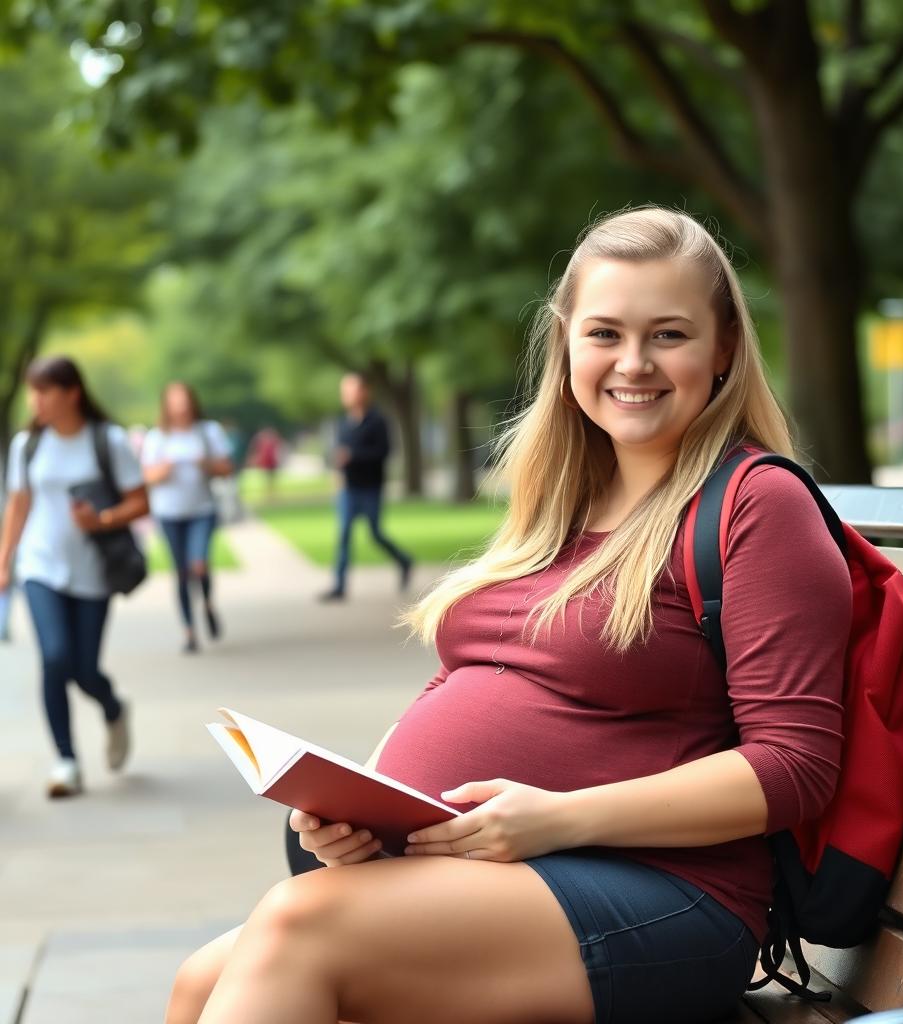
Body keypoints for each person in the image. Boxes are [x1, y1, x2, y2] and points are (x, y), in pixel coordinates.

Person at [166, 208, 851, 1024]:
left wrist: (556, 819)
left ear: (726, 347)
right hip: (498, 873)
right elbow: (472, 677)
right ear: (566, 344)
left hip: (665, 892)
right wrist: (362, 804)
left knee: (295, 928)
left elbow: (794, 766)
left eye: (668, 334)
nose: (633, 363)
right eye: (604, 333)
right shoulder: (557, 499)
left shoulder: (753, 504)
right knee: (201, 979)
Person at [0, 356, 148, 799]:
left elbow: (140, 502)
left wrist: (101, 519)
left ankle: (113, 707)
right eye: (33, 391)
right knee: (55, 657)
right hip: (40, 567)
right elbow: (19, 505)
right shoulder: (28, 444)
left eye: (44, 390)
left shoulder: (107, 440)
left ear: (72, 393)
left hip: (93, 574)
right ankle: (66, 761)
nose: (36, 400)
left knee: (85, 671)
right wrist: (5, 560)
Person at [142, 383, 234, 654]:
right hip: (169, 513)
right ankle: (189, 631)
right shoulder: (157, 437)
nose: (180, 405)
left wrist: (203, 463)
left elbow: (227, 468)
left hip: (201, 510)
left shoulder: (208, 432)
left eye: (184, 399)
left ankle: (207, 603)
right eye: (174, 400)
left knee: (199, 564)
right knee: (181, 572)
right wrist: (166, 467)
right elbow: (146, 476)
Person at [318, 372, 413, 602]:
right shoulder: (343, 424)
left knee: (375, 533)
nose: (347, 395)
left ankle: (404, 560)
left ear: (364, 392)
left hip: (371, 487)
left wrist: (353, 456)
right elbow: (338, 454)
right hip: (348, 489)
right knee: (344, 534)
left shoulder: (377, 421)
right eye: (345, 391)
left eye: (351, 390)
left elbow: (383, 452)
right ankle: (339, 586)